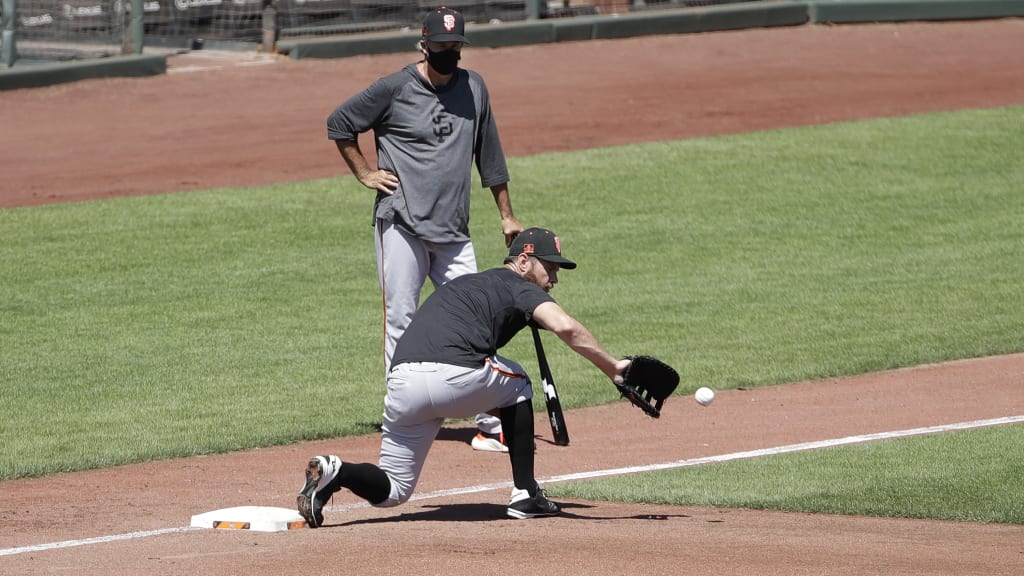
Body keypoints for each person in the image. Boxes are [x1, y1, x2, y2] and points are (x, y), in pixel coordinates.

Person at [296, 228, 631, 525]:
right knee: (519, 383)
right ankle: (526, 493)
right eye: (551, 267)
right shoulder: (519, 285)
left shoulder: (468, 283)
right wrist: (614, 368)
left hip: (402, 382)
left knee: (394, 490)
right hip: (454, 375)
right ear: (525, 261)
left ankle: (336, 470)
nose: (554, 278)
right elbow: (566, 327)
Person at [326, 6, 523, 453]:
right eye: (441, 47)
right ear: (424, 43)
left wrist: (507, 214)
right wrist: (363, 172)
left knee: (480, 321)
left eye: (455, 47)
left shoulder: (474, 87)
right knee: (402, 319)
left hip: (454, 230)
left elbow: (489, 154)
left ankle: (489, 423)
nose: (449, 54)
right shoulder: (395, 88)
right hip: (402, 225)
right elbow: (339, 123)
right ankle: (401, 413)